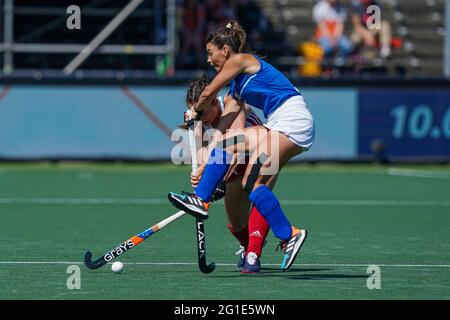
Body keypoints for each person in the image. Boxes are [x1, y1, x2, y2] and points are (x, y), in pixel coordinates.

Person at [169, 21, 314, 271]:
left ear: (226, 50)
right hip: (283, 125)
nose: (208, 60)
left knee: (245, 173)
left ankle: (200, 201)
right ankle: (289, 235)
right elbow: (224, 133)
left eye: (210, 53)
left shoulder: (241, 60)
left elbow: (207, 94)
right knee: (253, 187)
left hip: (291, 122)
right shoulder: (236, 89)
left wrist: (195, 110)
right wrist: (205, 167)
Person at [183, 74, 270, 274]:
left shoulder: (233, 102)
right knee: (236, 223)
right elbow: (202, 154)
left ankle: (253, 255)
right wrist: (200, 179)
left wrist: (218, 179)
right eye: (197, 112)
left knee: (257, 194)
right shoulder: (197, 119)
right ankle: (252, 244)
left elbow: (235, 143)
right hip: (228, 164)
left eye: (203, 111)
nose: (201, 116)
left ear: (214, 101)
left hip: (261, 153)